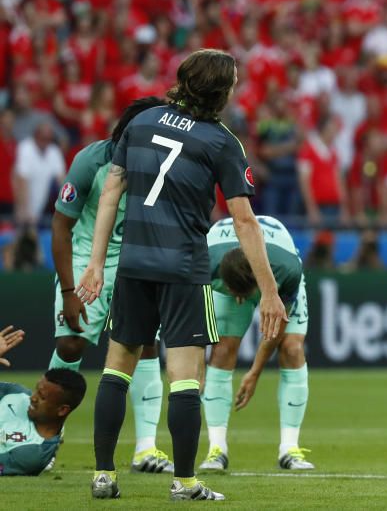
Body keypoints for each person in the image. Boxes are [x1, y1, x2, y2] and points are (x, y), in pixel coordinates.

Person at [76, 49, 288, 501]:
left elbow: (111, 190)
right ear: (219, 90)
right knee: (187, 377)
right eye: (232, 82)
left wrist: (97, 262)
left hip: (133, 262)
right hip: (184, 267)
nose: (235, 89)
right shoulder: (221, 142)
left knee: (116, 370)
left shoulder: (142, 121)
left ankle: (103, 474)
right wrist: (269, 292)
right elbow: (245, 222)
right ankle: (186, 481)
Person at [48, 97, 174, 474]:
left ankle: (146, 449)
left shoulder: (160, 162)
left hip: (136, 262)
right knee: (70, 344)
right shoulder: (92, 159)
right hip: (89, 259)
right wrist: (70, 291)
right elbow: (60, 226)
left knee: (145, 344)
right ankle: (49, 437)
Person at [199, 215, 314, 472]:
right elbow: (195, 319)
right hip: (225, 261)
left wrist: (254, 373)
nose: (240, 299)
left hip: (272, 273)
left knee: (292, 348)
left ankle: (289, 449)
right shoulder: (204, 262)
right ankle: (216, 449)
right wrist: (198, 366)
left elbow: (276, 330)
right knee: (222, 348)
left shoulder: (287, 270)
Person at [0, 369, 87, 476]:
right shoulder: (16, 393)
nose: (32, 398)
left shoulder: (32, 454)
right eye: (36, 390)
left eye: (42, 397)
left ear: (62, 410)